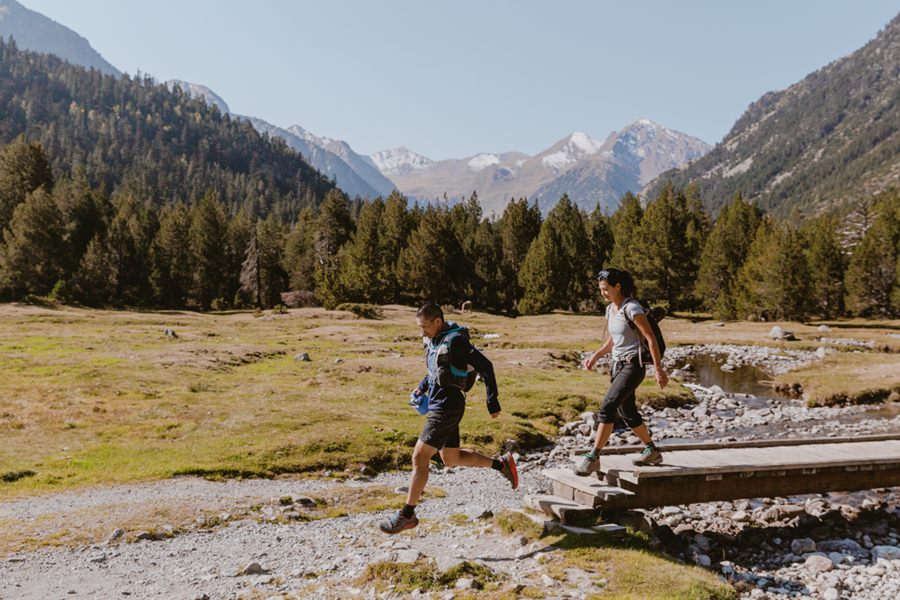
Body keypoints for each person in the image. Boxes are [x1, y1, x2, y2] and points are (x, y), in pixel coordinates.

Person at [378, 303, 517, 534]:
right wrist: (422, 387)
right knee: (451, 458)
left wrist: (492, 400)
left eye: (424, 326)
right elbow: (436, 370)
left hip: (447, 407)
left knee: (419, 456)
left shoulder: (457, 342)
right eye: (419, 327)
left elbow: (486, 366)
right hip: (438, 404)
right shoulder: (432, 340)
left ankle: (407, 515)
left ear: (438, 321)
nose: (421, 331)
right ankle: (502, 464)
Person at [575, 268, 668, 477]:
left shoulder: (632, 307)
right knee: (627, 411)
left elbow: (650, 338)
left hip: (633, 366)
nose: (603, 293)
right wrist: (596, 356)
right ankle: (652, 451)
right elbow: (614, 339)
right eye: (601, 289)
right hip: (617, 366)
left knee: (606, 409)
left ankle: (593, 458)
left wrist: (659, 370)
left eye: (606, 289)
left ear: (618, 286)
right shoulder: (611, 309)